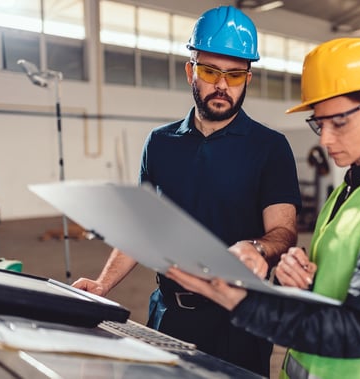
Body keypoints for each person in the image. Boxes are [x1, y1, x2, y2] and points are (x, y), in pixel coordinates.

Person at [165, 37, 360, 379]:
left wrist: (238, 300)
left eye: (338, 122)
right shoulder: (351, 189)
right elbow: (348, 290)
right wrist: (306, 285)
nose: (324, 140)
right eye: (319, 123)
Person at [72, 5, 301, 377]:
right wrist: (102, 284)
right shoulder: (160, 143)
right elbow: (143, 226)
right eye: (211, 71)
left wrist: (259, 248)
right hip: (169, 312)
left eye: (235, 75)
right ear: (190, 70)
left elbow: (283, 231)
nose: (223, 85)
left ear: (248, 78)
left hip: (239, 322)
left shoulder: (269, 147)